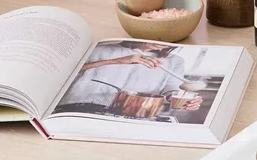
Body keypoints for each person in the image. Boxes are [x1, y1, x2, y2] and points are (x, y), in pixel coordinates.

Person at [55, 40, 203, 116]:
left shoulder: (174, 61)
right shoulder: (100, 48)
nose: (161, 41)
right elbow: (64, 73)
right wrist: (117, 61)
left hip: (133, 114)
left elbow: (171, 90)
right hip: (77, 108)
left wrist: (183, 101)